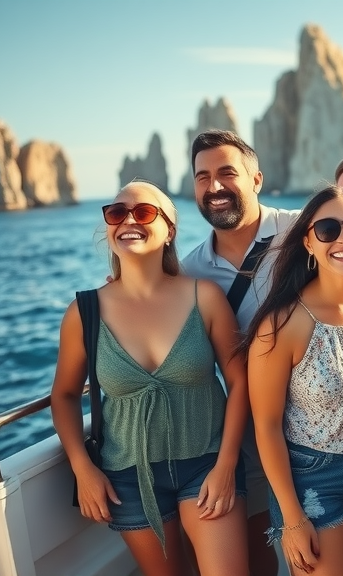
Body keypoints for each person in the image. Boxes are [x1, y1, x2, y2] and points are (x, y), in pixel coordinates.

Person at [51, 181, 249, 576]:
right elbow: (65, 395)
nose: (128, 220)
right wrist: (83, 468)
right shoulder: (84, 311)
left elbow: (240, 382)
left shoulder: (204, 297)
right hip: (126, 474)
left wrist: (226, 464)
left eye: (142, 212)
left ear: (169, 229)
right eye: (116, 212)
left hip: (206, 463)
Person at [245, 186, 343, 576]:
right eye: (328, 229)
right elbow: (265, 427)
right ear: (308, 241)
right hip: (311, 476)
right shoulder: (282, 323)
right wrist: (292, 518)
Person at [181, 129, 298, 576]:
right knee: (256, 550)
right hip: (242, 430)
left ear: (256, 179)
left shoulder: (302, 230)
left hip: (319, 425)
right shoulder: (190, 270)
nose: (214, 187)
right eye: (202, 176)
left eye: (227, 173)